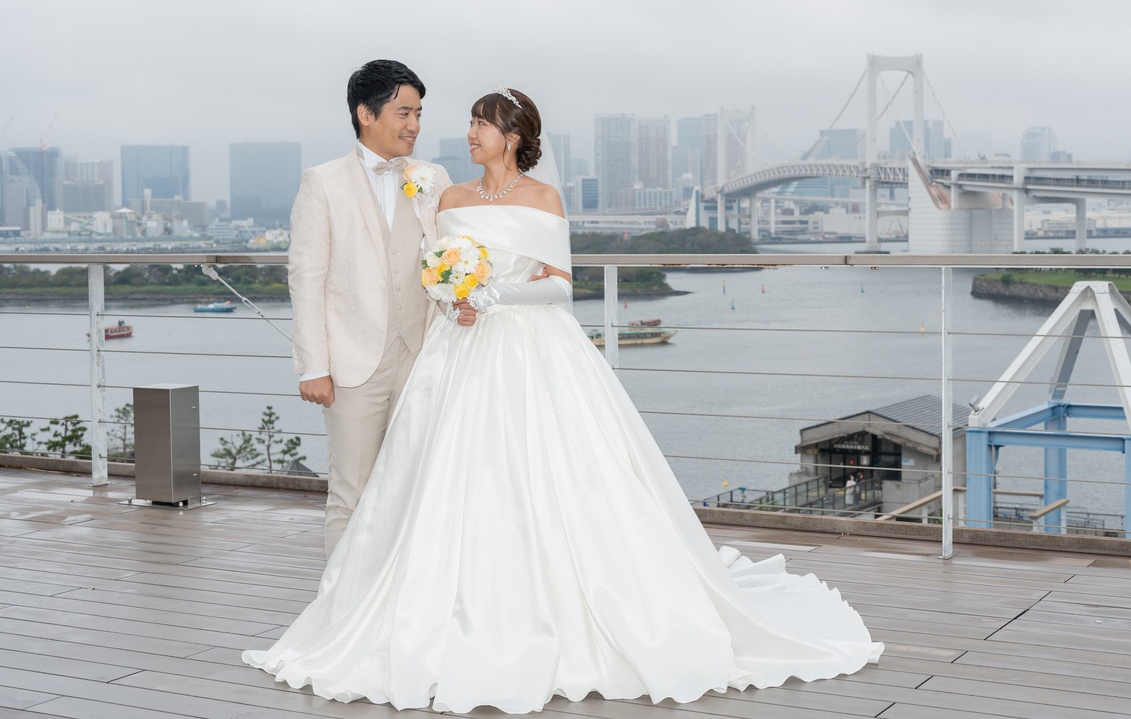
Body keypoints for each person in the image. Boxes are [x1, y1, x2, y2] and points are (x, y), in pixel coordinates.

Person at [245, 87, 883, 713]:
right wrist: (455, 294)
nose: (467, 133)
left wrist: (492, 296)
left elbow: (557, 288)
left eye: (480, 125)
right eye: (465, 122)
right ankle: (381, 607)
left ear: (513, 137)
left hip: (529, 350)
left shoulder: (541, 198)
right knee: (432, 484)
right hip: (453, 356)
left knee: (549, 478)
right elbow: (423, 271)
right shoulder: (447, 194)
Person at [288, 59, 454, 557]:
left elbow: (451, 256)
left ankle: (393, 606)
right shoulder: (322, 182)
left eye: (419, 113)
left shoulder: (433, 176)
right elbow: (307, 278)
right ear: (366, 113)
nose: (415, 126)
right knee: (352, 493)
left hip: (423, 356)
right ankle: (340, 612)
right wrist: (313, 366)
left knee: (412, 490)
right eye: (404, 112)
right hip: (353, 364)